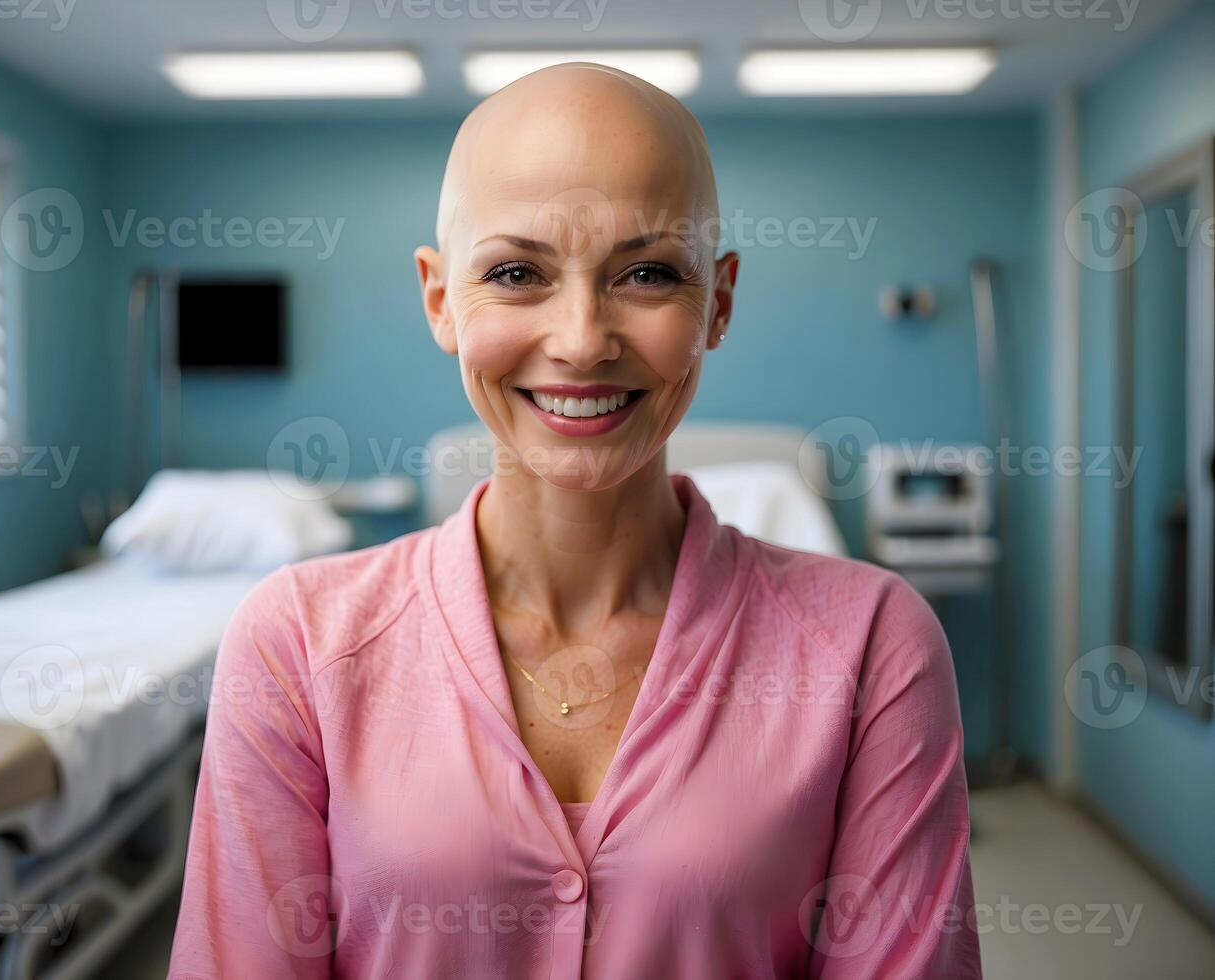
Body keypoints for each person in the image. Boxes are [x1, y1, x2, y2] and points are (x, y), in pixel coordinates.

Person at [168, 63, 982, 979]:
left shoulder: (873, 647)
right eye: (517, 272)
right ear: (441, 300)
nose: (583, 339)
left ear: (717, 301)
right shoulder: (298, 646)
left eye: (646, 273)